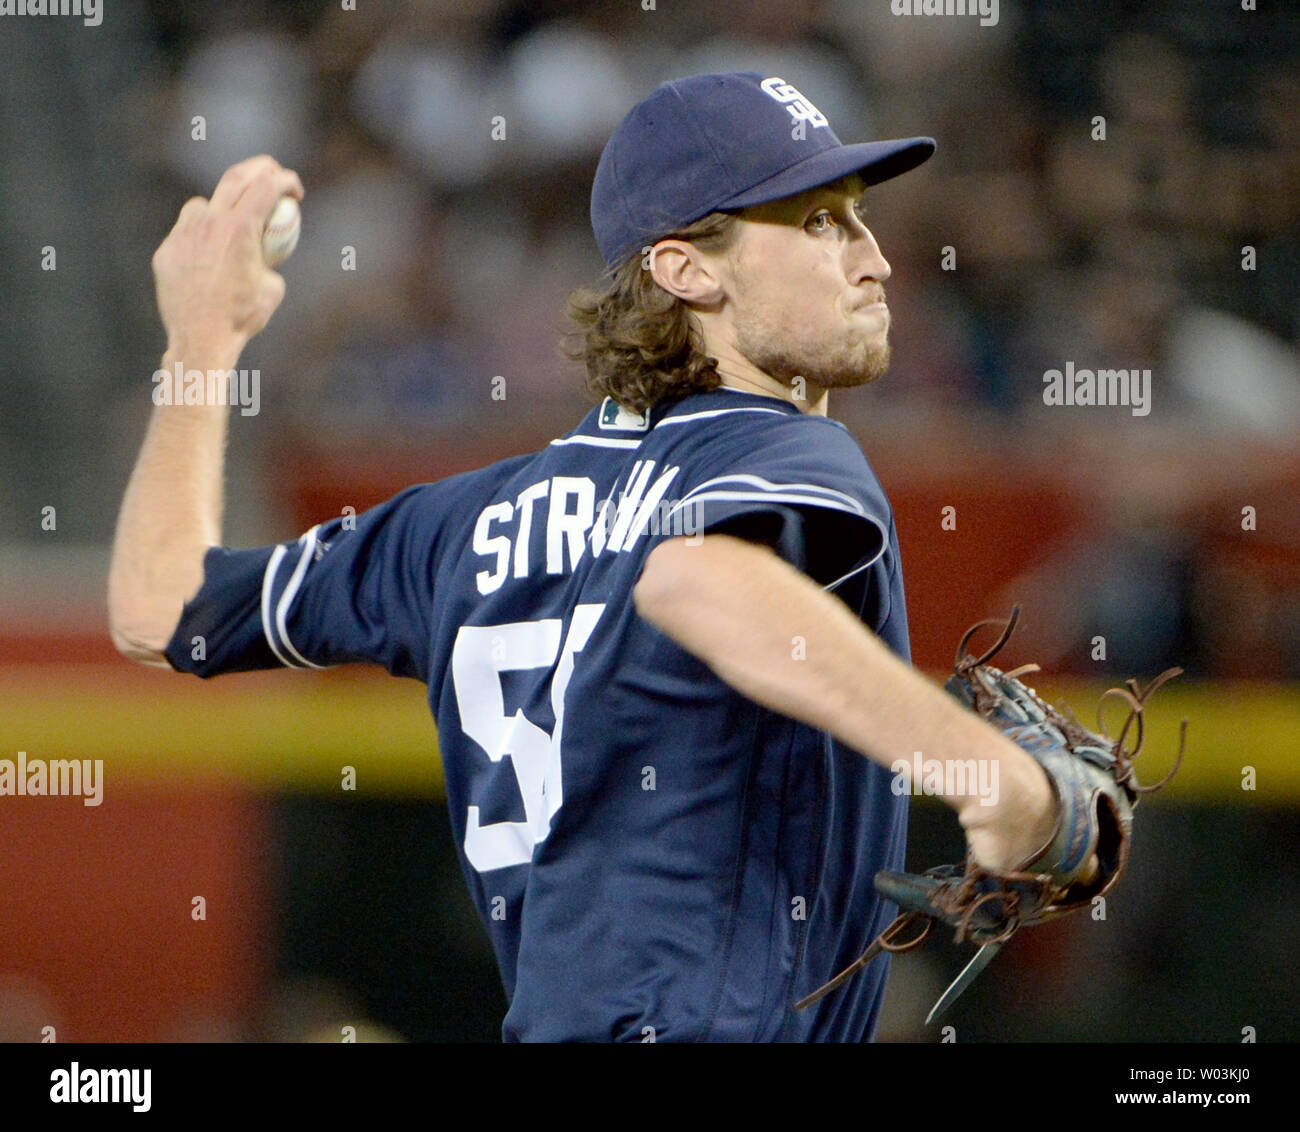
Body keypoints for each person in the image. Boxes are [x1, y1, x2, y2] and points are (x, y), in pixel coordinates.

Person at [109, 71, 1057, 1042]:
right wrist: (996, 776)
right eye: (817, 222)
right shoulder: (776, 452)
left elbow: (160, 608)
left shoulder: (461, 522)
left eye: (857, 218)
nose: (873, 258)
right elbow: (701, 580)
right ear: (686, 270)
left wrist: (201, 339)